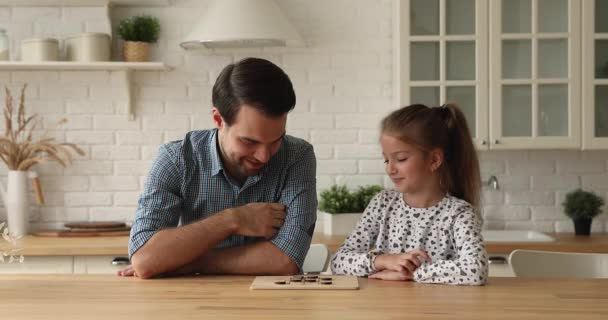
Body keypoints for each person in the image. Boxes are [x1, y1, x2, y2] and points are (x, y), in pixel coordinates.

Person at [118, 58, 317, 279]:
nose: (264, 155)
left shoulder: (297, 157)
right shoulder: (176, 159)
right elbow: (146, 260)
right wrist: (233, 220)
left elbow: (285, 260)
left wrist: (190, 262)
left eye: (276, 140)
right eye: (249, 142)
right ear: (218, 119)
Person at [330, 103, 488, 285]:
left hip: (439, 312)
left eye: (401, 159)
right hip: (387, 311)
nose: (390, 168)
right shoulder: (382, 204)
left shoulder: (459, 213)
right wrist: (382, 261)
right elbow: (338, 262)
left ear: (434, 160)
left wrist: (411, 273)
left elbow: (476, 269)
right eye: (386, 159)